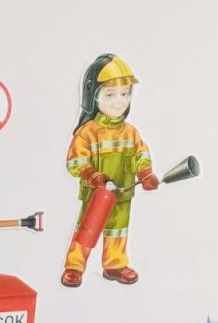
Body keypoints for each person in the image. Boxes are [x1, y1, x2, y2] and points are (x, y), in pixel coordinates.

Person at [61, 54, 158, 288]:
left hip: (122, 194)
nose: (119, 101)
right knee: (87, 230)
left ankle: (114, 265)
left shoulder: (131, 133)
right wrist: (93, 176)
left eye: (125, 93)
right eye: (110, 94)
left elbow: (140, 155)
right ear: (93, 96)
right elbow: (75, 162)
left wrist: (145, 173)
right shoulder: (88, 132)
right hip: (96, 195)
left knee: (118, 231)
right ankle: (74, 267)